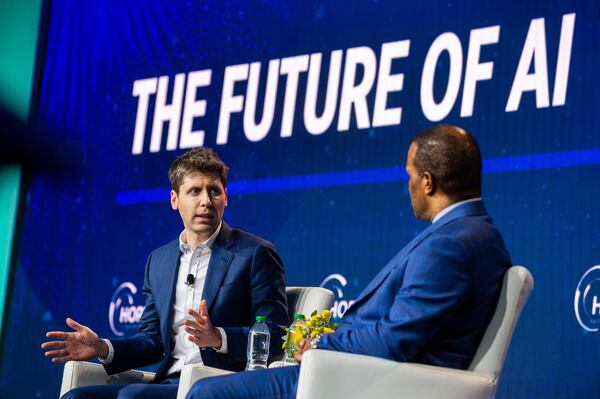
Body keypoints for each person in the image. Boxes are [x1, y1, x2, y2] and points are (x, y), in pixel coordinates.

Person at [186, 125, 512, 399]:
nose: (408, 185)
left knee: (205, 393)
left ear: (428, 182)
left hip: (366, 382)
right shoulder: (477, 234)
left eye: (409, 175)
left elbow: (394, 338)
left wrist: (320, 346)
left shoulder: (451, 244)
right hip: (360, 373)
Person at [41, 148, 289, 399]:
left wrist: (218, 338)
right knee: (76, 397)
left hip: (217, 383)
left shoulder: (255, 253)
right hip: (169, 381)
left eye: (214, 190)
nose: (206, 201)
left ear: (225, 197)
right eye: (195, 191)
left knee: (131, 397)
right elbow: (152, 341)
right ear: (174, 199)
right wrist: (102, 347)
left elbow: (276, 333)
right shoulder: (159, 260)